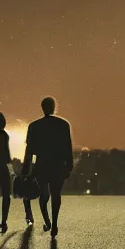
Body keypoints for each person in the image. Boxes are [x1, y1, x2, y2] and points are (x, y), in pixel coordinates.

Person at [21, 97, 73, 238]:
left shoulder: (34, 126)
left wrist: (26, 170)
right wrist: (70, 166)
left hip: (42, 165)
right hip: (58, 165)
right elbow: (68, 147)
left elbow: (29, 150)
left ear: (42, 107)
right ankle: (54, 224)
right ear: (54, 107)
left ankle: (47, 221)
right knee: (56, 194)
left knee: (44, 195)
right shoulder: (63, 125)